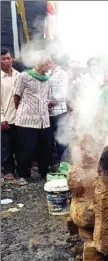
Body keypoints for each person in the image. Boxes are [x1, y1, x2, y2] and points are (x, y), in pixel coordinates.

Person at [13, 51, 54, 185]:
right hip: (27, 120)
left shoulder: (47, 79)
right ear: (39, 63)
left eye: (50, 62)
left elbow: (48, 97)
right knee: (26, 148)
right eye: (47, 63)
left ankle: (44, 172)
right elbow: (16, 96)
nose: (49, 65)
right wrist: (22, 110)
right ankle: (23, 175)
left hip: (44, 120)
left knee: (46, 146)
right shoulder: (24, 76)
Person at [1, 48, 19, 180]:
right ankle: (7, 170)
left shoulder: (18, 75)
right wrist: (2, 118)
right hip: (5, 118)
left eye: (8, 58)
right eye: (3, 59)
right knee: (5, 146)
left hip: (19, 118)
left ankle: (19, 169)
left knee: (19, 145)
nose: (7, 61)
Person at [49, 55, 69, 167]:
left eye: (48, 62)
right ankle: (52, 165)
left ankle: (63, 165)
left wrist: (51, 102)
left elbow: (63, 93)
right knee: (49, 141)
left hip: (59, 112)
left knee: (62, 140)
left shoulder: (62, 73)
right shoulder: (45, 73)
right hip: (47, 114)